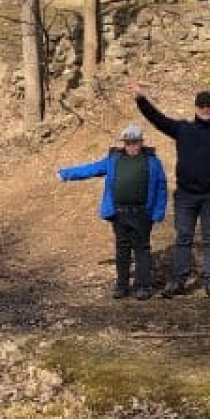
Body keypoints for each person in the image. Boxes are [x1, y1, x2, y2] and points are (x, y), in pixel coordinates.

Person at [129, 85, 210, 299]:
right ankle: (178, 280)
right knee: (183, 237)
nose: (205, 109)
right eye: (202, 105)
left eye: (209, 105)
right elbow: (157, 119)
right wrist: (142, 100)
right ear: (196, 107)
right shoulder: (183, 129)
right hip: (186, 195)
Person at [57, 124, 168, 300]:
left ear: (141, 142)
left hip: (142, 214)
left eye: (135, 142)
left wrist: (158, 212)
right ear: (124, 143)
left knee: (142, 250)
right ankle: (122, 286)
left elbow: (161, 187)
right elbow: (92, 169)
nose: (131, 146)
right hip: (119, 213)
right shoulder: (114, 159)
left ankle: (143, 287)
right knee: (122, 250)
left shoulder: (152, 161)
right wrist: (66, 174)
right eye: (128, 143)